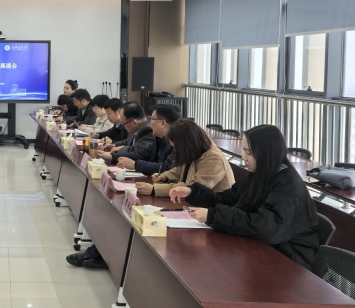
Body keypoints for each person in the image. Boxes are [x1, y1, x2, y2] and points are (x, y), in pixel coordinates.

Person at [170, 124, 319, 270]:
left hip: (288, 261)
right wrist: (193, 192)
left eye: (249, 153)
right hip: (261, 247)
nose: (243, 157)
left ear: (266, 153)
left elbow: (268, 228)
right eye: (244, 151)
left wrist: (213, 215)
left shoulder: (288, 185)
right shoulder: (259, 175)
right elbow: (227, 199)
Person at [137, 118, 234, 196]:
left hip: (213, 209)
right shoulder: (195, 150)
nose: (175, 150)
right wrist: (165, 176)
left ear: (185, 144)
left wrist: (154, 189)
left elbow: (191, 188)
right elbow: (179, 170)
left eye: (176, 147)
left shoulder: (213, 159)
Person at [119, 104, 180, 175]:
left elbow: (166, 167)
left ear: (163, 123)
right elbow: (142, 154)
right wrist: (112, 157)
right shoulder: (158, 139)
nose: (150, 122)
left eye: (152, 119)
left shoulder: (177, 143)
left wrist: (135, 165)